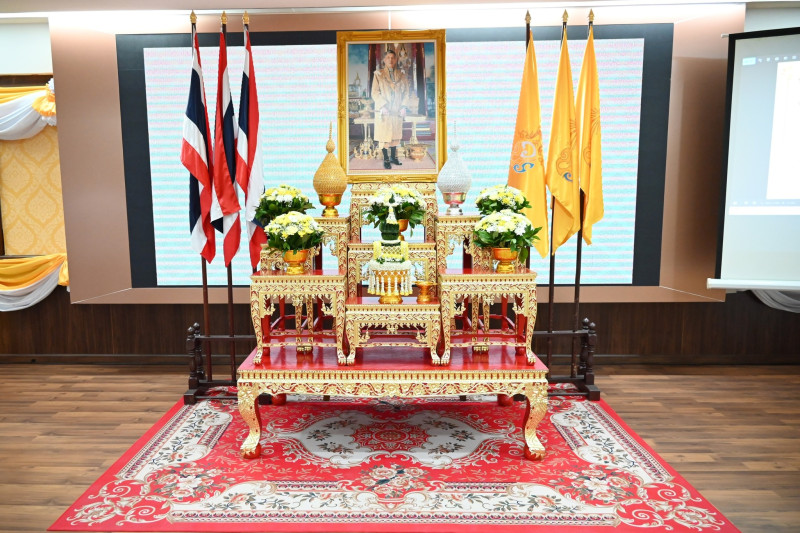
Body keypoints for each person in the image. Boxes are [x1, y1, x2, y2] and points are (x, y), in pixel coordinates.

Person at [371, 49, 410, 170]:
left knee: (395, 134)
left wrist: (403, 106)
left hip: (396, 110)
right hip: (384, 110)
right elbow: (375, 92)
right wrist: (382, 106)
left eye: (393, 57)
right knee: (384, 135)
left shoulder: (401, 74)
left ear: (396, 59)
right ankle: (386, 159)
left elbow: (406, 92)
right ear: (384, 60)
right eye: (388, 57)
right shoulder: (378, 74)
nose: (390, 60)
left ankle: (393, 157)